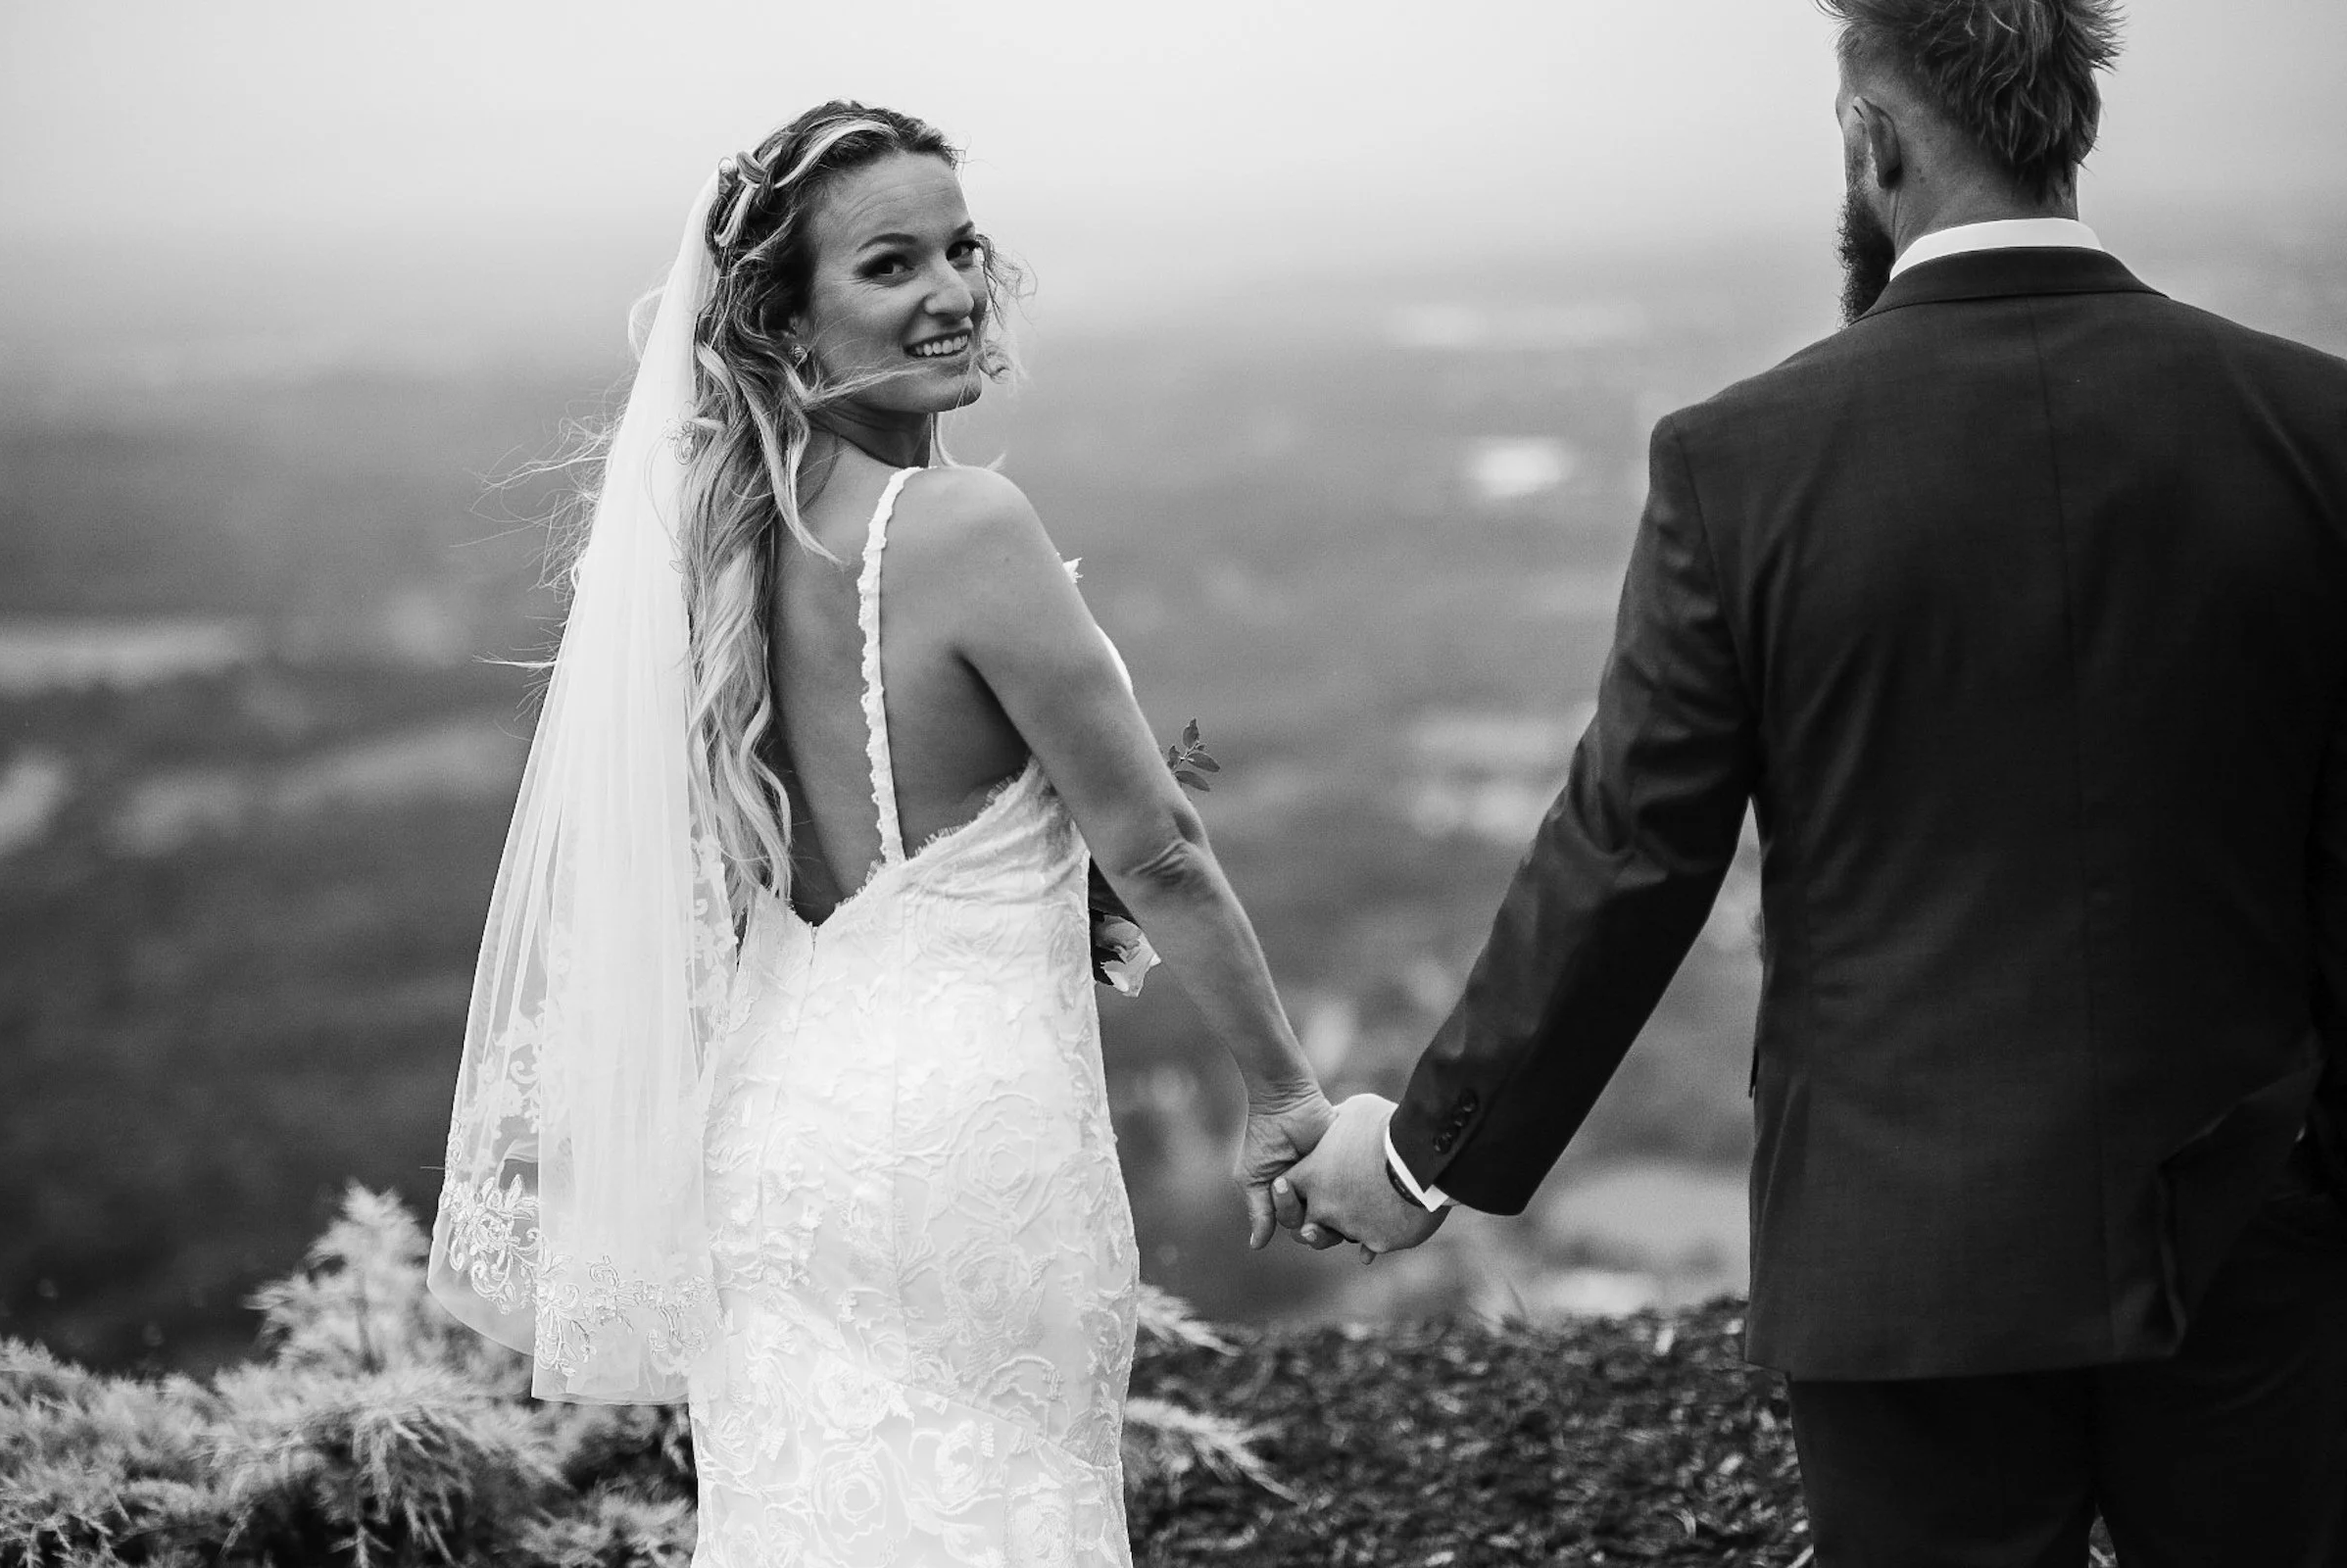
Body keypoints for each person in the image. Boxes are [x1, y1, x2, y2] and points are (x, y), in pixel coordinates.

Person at [1280, 1, 2347, 1561]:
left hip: (1905, 1250)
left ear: (1871, 140)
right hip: (2258, 1230)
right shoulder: (2313, 425)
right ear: (2076, 131)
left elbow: (1634, 852)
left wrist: (1417, 1154)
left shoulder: (1745, 460)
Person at [427, 103, 1332, 1567]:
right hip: (965, 1150)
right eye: (893, 264)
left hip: (776, 1143)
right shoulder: (967, 527)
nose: (954, 290)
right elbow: (1158, 844)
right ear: (788, 323)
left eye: (964, 248)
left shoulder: (717, 553)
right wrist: (1286, 1094)